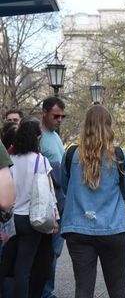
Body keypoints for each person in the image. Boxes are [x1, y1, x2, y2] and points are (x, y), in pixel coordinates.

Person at [60, 105, 125, 298]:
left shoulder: (70, 154)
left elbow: (66, 187)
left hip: (78, 228)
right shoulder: (119, 156)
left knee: (83, 290)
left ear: (86, 126)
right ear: (108, 126)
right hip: (111, 227)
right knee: (117, 288)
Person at [0, 120, 57, 298]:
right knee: (23, 269)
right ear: (37, 138)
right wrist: (55, 218)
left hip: (11, 216)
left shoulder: (10, 160)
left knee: (6, 263)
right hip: (30, 218)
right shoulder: (40, 160)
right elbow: (49, 193)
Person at [39, 97, 66, 298]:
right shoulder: (38, 136)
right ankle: (45, 292)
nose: (59, 120)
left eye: (62, 117)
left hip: (60, 202)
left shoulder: (56, 136)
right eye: (55, 116)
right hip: (46, 205)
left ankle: (47, 290)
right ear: (44, 112)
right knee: (47, 252)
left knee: (54, 252)